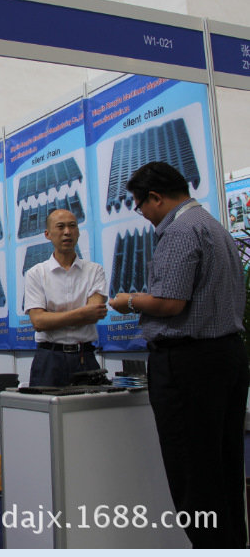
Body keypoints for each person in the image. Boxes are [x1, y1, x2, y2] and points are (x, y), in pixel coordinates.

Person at [109, 161, 248, 549]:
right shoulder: (213, 226)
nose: (143, 214)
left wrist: (128, 300)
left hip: (189, 365)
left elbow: (169, 303)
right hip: (226, 357)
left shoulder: (179, 231)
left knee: (194, 476)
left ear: (155, 197)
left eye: (140, 205)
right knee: (223, 469)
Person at [24, 208, 108, 386]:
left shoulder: (95, 271)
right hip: (49, 358)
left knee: (90, 405)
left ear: (78, 231)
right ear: (47, 234)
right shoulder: (36, 274)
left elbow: (94, 313)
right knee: (45, 404)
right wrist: (82, 313)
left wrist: (52, 318)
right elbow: (38, 322)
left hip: (85, 357)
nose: (67, 232)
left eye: (72, 226)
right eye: (60, 227)